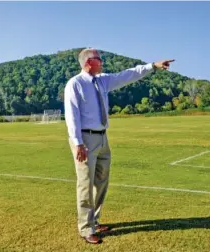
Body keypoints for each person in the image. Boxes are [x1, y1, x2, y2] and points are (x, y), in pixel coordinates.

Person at [64, 48, 174, 244]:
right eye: (99, 59)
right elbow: (71, 116)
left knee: (102, 181)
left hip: (102, 138)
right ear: (89, 62)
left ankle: (94, 220)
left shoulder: (103, 80)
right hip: (85, 140)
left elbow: (127, 75)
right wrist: (78, 143)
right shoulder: (75, 84)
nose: (103, 61)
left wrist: (153, 66)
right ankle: (85, 228)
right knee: (85, 184)